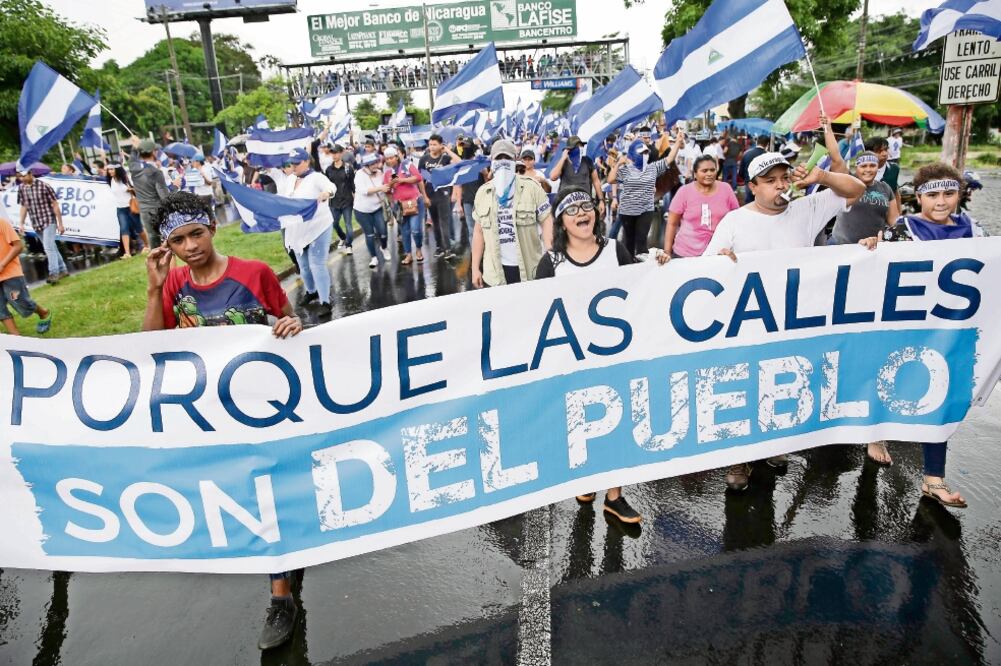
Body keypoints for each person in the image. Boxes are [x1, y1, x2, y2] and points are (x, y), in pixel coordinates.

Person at [141, 191, 303, 650]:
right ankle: (285, 566)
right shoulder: (173, 284)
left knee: (268, 488)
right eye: (178, 239)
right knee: (251, 493)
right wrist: (155, 290)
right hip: (215, 414)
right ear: (167, 246)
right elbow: (150, 347)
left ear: (212, 227)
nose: (190, 246)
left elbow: (289, 321)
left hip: (267, 407)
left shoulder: (255, 273)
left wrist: (293, 326)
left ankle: (281, 596)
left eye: (196, 233)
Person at [704, 151, 865, 490]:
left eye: (783, 178)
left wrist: (821, 177)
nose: (779, 186)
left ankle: (774, 447)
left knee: (783, 386)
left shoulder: (807, 208)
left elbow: (856, 189)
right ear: (753, 187)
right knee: (745, 389)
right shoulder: (734, 221)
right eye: (770, 181)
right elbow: (709, 270)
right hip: (747, 324)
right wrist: (722, 261)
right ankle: (739, 459)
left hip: (792, 321)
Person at [858, 163, 982, 509]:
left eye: (948, 193)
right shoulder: (904, 229)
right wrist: (872, 246)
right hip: (904, 327)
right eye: (933, 194)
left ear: (960, 194)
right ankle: (876, 436)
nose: (941, 201)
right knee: (889, 385)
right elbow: (875, 266)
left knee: (937, 399)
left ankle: (933, 479)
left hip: (948, 332)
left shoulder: (974, 229)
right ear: (919, 197)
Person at [533, 187, 642, 522]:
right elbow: (535, 312)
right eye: (572, 209)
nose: (582, 213)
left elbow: (644, 287)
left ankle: (614, 495)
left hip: (614, 356)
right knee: (581, 424)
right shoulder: (551, 263)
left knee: (617, 422)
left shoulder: (615, 249)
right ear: (562, 222)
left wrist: (662, 267)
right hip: (573, 361)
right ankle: (586, 479)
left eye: (587, 206)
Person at [471, 139, 553, 287]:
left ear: (515, 160)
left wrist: (551, 255)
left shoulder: (532, 188)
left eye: (507, 158)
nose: (503, 162)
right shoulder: (483, 193)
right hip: (495, 274)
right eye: (498, 158)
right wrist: (475, 268)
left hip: (530, 270)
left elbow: (547, 220)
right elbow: (478, 232)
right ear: (492, 162)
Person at [274, 148, 337, 314]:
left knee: (317, 264)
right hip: (297, 228)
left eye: (297, 163)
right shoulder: (290, 179)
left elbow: (331, 187)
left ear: (307, 161)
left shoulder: (316, 177)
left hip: (318, 226)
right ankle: (311, 291)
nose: (293, 166)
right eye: (291, 163)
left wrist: (326, 193)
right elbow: (282, 199)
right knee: (303, 266)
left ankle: (325, 301)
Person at [606, 130, 683, 257]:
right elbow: (610, 179)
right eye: (641, 153)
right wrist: (619, 163)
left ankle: (642, 268)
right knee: (629, 241)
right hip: (628, 211)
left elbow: (669, 159)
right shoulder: (626, 170)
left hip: (646, 210)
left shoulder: (652, 168)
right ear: (633, 155)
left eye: (646, 152)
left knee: (641, 241)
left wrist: (677, 143)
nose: (645, 155)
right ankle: (628, 266)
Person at [659, 154, 739, 261]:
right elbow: (672, 223)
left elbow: (736, 219)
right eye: (704, 171)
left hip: (717, 253)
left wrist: (735, 248)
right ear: (695, 174)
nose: (709, 174)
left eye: (712, 170)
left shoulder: (726, 189)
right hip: (685, 254)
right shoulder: (684, 192)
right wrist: (667, 252)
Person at [0, 214, 52, 335]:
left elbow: (18, 246)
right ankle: (16, 338)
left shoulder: (2, 223)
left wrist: (2, 264)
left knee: (18, 299)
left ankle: (43, 312)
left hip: (10, 273)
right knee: (0, 308)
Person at [16, 168, 67, 284]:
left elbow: (55, 205)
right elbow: (24, 207)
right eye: (20, 176)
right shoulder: (22, 188)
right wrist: (21, 223)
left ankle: (54, 273)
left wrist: (60, 224)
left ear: (30, 173)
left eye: (24, 176)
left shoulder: (44, 186)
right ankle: (63, 270)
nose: (22, 179)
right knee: (51, 247)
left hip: (49, 220)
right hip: (36, 222)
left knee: (48, 247)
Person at [129, 137, 179, 247]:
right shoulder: (155, 172)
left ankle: (155, 262)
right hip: (157, 211)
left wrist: (134, 147)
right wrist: (174, 186)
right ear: (153, 152)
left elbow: (132, 159)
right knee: (166, 243)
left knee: (153, 240)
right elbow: (165, 197)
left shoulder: (134, 168)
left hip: (144, 211)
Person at [384, 146, 423, 265]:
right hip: (399, 205)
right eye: (387, 159)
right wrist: (391, 185)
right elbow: (386, 190)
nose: (390, 160)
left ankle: (418, 249)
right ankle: (408, 254)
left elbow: (418, 177)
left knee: (415, 229)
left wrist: (402, 180)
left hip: (414, 201)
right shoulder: (388, 172)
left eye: (392, 158)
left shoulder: (406, 165)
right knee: (404, 231)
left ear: (397, 157)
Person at [419, 134, 457, 259]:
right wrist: (424, 197)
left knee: (444, 221)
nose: (432, 147)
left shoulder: (445, 159)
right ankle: (439, 247)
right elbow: (421, 180)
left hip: (444, 193)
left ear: (441, 145)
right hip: (430, 194)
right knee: (435, 222)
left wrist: (447, 150)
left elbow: (459, 163)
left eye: (435, 144)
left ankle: (447, 249)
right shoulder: (424, 159)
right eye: (430, 144)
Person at [547, 136, 605, 215]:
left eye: (580, 146)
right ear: (569, 150)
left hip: (585, 203)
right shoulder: (563, 162)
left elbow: (596, 181)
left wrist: (601, 200)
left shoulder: (587, 161)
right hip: (567, 203)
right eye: (576, 147)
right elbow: (553, 177)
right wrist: (563, 158)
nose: (579, 149)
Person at [354, 152, 391, 268]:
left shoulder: (380, 173)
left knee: (383, 232)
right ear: (367, 165)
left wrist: (394, 178)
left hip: (377, 208)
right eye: (373, 164)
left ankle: (384, 247)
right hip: (362, 210)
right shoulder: (359, 175)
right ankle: (373, 257)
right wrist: (380, 188)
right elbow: (363, 191)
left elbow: (390, 179)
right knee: (369, 234)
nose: (376, 165)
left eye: (377, 163)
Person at [107, 164, 150, 258]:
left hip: (131, 207)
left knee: (139, 229)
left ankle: (147, 245)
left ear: (117, 169)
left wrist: (132, 189)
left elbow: (140, 189)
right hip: (120, 209)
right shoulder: (110, 180)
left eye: (112, 169)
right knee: (124, 229)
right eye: (109, 169)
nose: (110, 171)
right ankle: (127, 253)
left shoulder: (126, 178)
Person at [324, 144, 355, 256]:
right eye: (332, 153)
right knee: (334, 223)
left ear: (341, 153)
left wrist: (355, 197)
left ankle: (349, 245)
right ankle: (343, 237)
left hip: (347, 201)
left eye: (336, 152)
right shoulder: (328, 169)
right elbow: (326, 185)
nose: (334, 155)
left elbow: (353, 185)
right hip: (334, 202)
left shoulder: (348, 168)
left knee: (348, 225)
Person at [183, 154, 216, 220]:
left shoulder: (205, 169)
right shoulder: (194, 170)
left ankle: (212, 225)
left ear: (198, 162)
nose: (192, 163)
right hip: (198, 194)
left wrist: (203, 175)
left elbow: (210, 183)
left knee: (208, 213)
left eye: (194, 161)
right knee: (202, 214)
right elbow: (190, 183)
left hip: (206, 195)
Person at [737, 135, 769, 202]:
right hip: (762, 185)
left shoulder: (747, 153)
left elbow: (741, 172)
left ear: (757, 142)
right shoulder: (768, 156)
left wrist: (746, 180)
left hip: (749, 183)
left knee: (749, 205)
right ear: (767, 144)